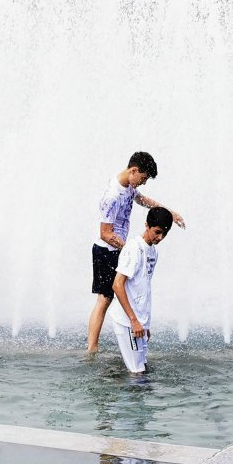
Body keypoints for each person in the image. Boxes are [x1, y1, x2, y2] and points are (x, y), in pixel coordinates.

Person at [88, 152, 185, 353]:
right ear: (133, 170)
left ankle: (132, 332)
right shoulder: (112, 196)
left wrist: (169, 212)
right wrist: (130, 249)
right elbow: (105, 233)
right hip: (106, 251)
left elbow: (142, 199)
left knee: (129, 292)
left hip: (119, 249)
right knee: (104, 299)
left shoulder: (129, 187)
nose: (143, 182)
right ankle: (92, 349)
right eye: (143, 178)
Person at [108, 207, 174, 374]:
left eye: (164, 234)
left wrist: (145, 324)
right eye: (157, 232)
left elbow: (143, 287)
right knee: (137, 373)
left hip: (140, 322)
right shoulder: (134, 248)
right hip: (128, 322)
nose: (160, 238)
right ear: (147, 225)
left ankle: (114, 377)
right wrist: (134, 321)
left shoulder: (153, 251)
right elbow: (117, 285)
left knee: (142, 369)